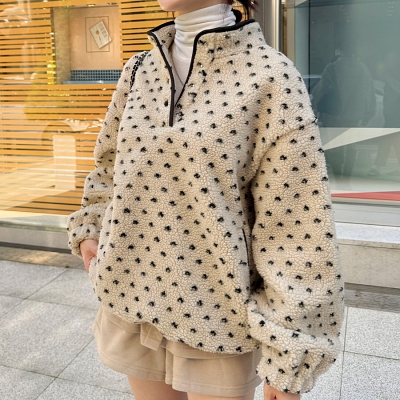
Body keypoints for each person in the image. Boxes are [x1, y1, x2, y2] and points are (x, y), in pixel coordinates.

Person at [67, 1, 344, 399]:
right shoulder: (139, 70)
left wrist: (289, 355)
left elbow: (297, 228)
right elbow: (110, 164)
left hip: (215, 318)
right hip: (130, 299)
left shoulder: (270, 77)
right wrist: (91, 228)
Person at [311, 35, 376, 178]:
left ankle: (338, 176)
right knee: (351, 146)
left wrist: (314, 103)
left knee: (336, 146)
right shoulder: (363, 68)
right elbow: (369, 93)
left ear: (339, 49)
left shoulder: (333, 67)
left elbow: (320, 90)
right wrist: (369, 113)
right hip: (355, 115)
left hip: (334, 115)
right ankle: (348, 176)